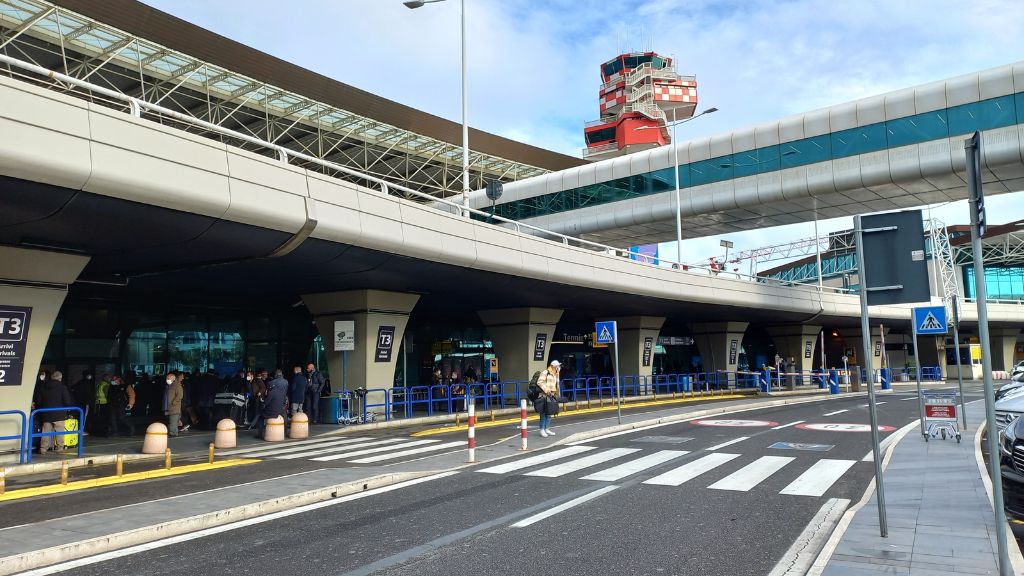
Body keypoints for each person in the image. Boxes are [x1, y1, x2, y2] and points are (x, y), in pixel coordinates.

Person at [34, 370, 73, 453]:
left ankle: (43, 448)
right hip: (59, 413)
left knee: (46, 432)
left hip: (46, 413)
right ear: (60, 378)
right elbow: (67, 401)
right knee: (59, 432)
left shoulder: (44, 386)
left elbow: (39, 401)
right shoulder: (62, 387)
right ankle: (60, 448)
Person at [534, 360, 562, 437]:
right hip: (544, 395)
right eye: (557, 366)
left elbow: (557, 385)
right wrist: (546, 390)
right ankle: (542, 429)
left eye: (558, 366)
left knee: (550, 412)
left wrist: (557, 394)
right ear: (553, 366)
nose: (558, 367)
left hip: (552, 395)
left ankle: (547, 428)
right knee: (543, 413)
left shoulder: (555, 374)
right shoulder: (545, 372)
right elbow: (540, 382)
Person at [260, 369, 289, 438]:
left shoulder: (271, 383)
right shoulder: (286, 382)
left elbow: (267, 399)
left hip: (272, 407)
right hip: (282, 403)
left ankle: (260, 433)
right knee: (284, 416)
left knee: (260, 415)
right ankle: (285, 431)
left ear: (275, 374)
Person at [69, 370, 94, 436]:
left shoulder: (79, 383)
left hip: (77, 403)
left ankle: (78, 430)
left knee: (79, 416)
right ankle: (81, 431)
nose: (90, 377)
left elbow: (72, 389)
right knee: (83, 417)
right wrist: (90, 402)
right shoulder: (87, 383)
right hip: (84, 403)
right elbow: (89, 394)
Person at [166, 372, 184, 437]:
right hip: (171, 407)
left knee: (173, 421)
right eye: (181, 376)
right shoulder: (171, 385)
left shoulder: (177, 385)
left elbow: (180, 395)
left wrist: (174, 402)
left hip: (174, 407)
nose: (183, 378)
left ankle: (173, 434)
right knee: (173, 421)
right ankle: (173, 433)